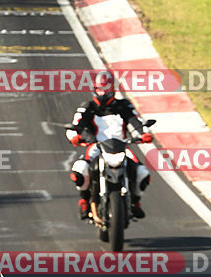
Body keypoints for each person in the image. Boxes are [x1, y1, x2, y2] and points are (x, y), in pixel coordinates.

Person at [66, 80, 153, 221]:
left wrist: (144, 133)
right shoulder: (88, 107)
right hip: (96, 146)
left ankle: (135, 201)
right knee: (80, 171)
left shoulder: (123, 105)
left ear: (112, 90)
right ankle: (84, 201)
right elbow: (76, 125)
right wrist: (74, 136)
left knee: (143, 174)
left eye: (106, 89)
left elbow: (136, 120)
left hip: (122, 145)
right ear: (94, 89)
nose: (103, 93)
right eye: (100, 89)